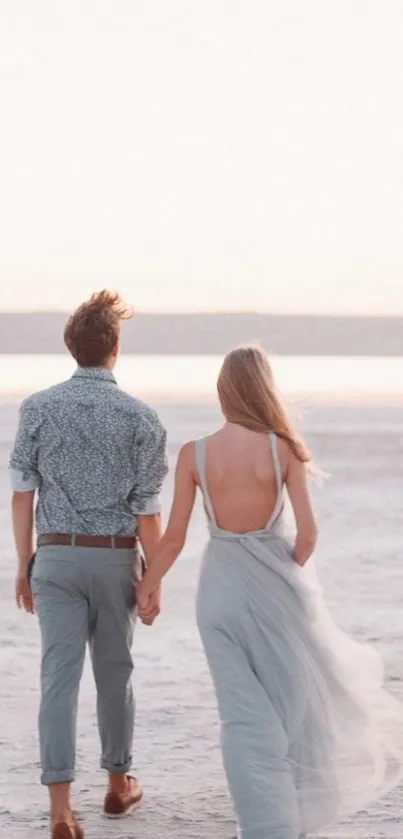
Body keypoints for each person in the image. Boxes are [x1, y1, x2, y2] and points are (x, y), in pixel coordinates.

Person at [137, 343, 403, 839]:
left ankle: (261, 826)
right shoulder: (284, 449)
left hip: (218, 592)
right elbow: (307, 535)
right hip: (277, 592)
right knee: (297, 705)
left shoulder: (194, 453)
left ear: (223, 391)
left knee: (241, 716)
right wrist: (286, 573)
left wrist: (148, 586)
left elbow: (173, 537)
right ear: (264, 389)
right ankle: (294, 822)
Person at [10, 290, 168, 839]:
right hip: (114, 559)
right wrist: (153, 581)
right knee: (114, 674)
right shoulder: (142, 418)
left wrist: (23, 561)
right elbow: (148, 514)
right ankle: (118, 785)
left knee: (58, 679)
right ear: (115, 349)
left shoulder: (37, 407)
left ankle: (59, 810)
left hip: (52, 555)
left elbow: (21, 495)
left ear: (70, 347)